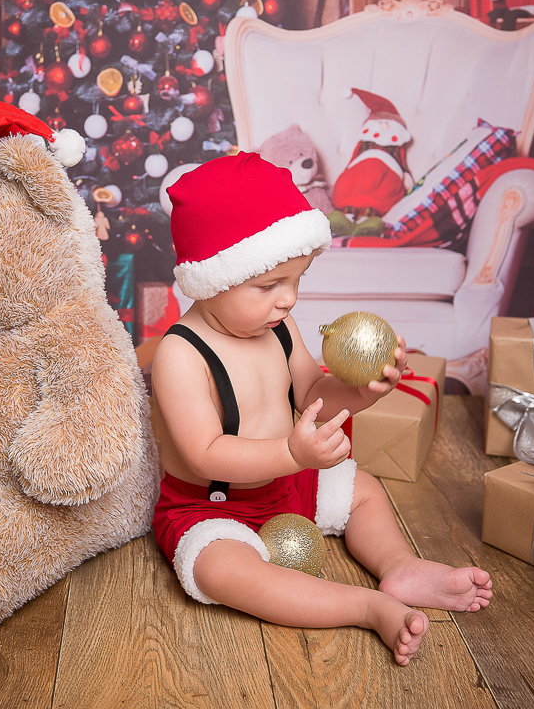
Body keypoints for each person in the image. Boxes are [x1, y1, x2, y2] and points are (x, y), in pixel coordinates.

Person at [150, 153, 492, 665]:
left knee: (364, 490)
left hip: (290, 482)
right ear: (212, 279)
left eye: (297, 279)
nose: (288, 299)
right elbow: (204, 453)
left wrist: (360, 393)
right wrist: (293, 451)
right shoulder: (181, 353)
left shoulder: (276, 326)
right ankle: (364, 606)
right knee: (221, 571)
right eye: (268, 285)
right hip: (214, 504)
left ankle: (399, 565)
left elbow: (311, 395)